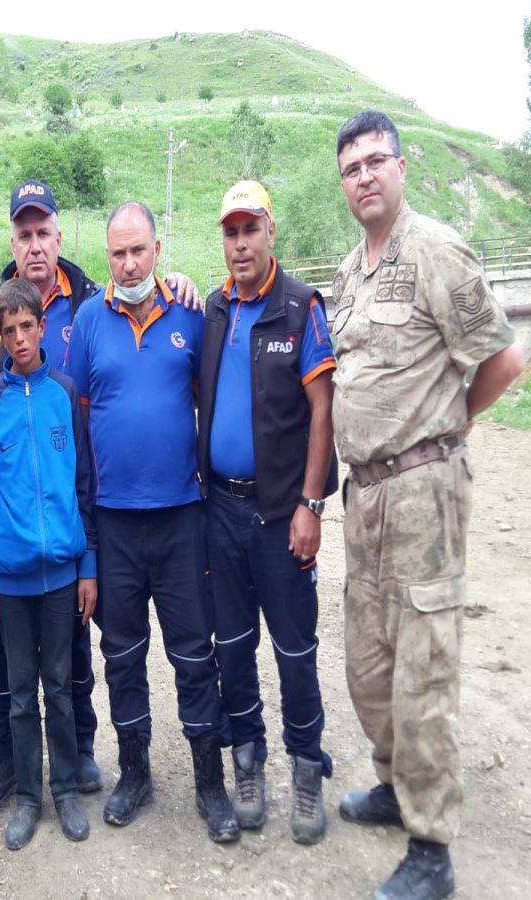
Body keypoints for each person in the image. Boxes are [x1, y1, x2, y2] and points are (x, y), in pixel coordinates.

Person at [330, 111, 524, 900]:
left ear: (401, 168)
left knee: (423, 672)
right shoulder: (349, 273)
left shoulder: (437, 251)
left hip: (423, 494)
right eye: (352, 168)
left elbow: (503, 358)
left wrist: (450, 424)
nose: (365, 177)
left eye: (377, 161)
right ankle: (393, 783)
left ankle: (431, 847)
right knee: (369, 664)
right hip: (365, 498)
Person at [0, 179, 202, 814]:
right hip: (21, 524)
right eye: (24, 234)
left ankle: (80, 754)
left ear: (59, 237)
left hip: (78, 513)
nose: (35, 245)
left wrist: (179, 283)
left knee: (75, 642)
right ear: (12, 242)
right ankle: (8, 763)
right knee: (12, 657)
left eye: (43, 232)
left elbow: (83, 399)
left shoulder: (90, 302)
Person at [62, 201, 238, 844]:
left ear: (158, 251)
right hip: (114, 523)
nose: (130, 264)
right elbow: (75, 412)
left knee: (193, 652)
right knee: (122, 654)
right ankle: (134, 772)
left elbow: (211, 398)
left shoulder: (190, 312)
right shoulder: (88, 320)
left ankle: (210, 781)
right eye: (118, 253)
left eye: (139, 251)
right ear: (106, 256)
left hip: (181, 517)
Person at [196, 181, 338, 844]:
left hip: (282, 515)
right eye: (231, 232)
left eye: (250, 229)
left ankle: (307, 768)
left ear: (270, 232)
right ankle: (246, 761)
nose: (240, 243)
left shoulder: (300, 307)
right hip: (221, 510)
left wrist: (311, 504)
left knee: (295, 649)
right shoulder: (214, 309)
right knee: (232, 646)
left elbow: (322, 409)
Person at [0, 278, 97, 851]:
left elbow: (83, 482)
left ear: (43, 327)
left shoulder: (65, 394)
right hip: (13, 576)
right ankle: (28, 796)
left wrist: (88, 564)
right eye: (9, 330)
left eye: (28, 327)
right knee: (20, 692)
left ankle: (65, 789)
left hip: (63, 575)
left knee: (61, 687)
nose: (20, 338)